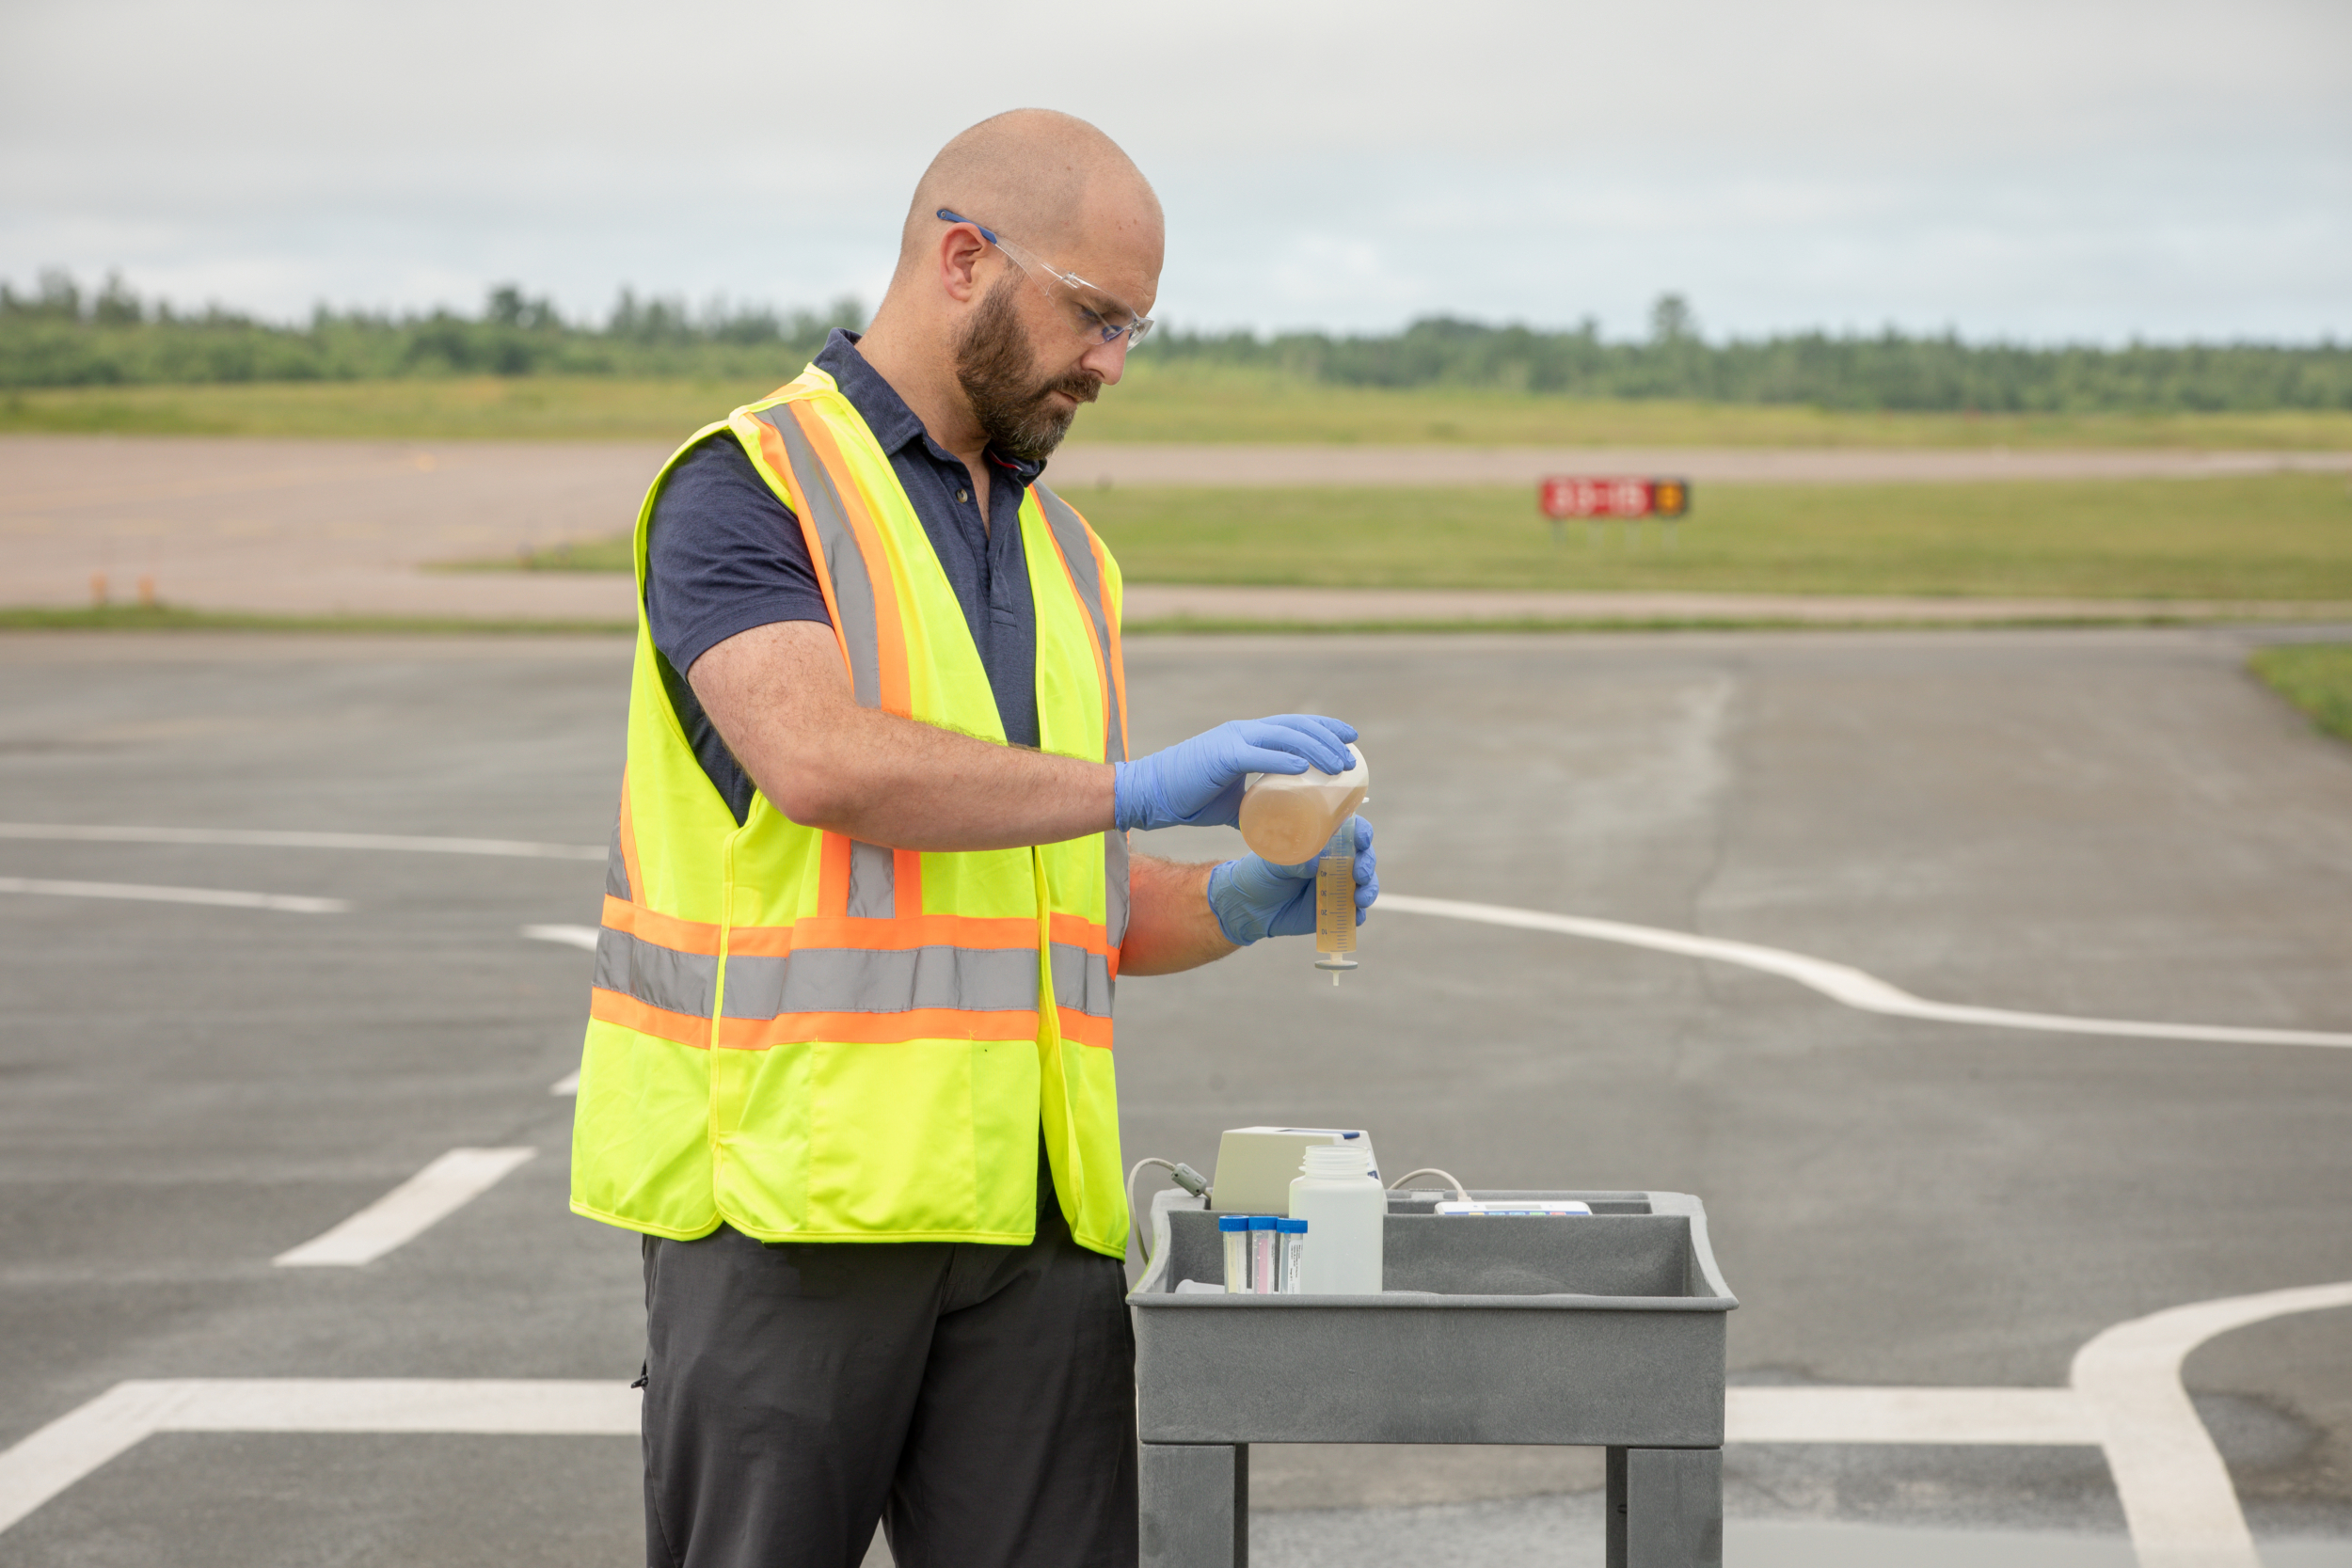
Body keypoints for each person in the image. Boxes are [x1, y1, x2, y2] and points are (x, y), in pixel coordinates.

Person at [566, 108, 1378, 1568]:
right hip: (797, 1211)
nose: (1111, 364)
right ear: (963, 260)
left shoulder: (1068, 553)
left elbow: (1081, 900)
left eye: (1138, 328)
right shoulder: (748, 484)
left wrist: (1248, 896)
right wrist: (1136, 786)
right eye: (1096, 314)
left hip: (1035, 1234)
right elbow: (817, 758)